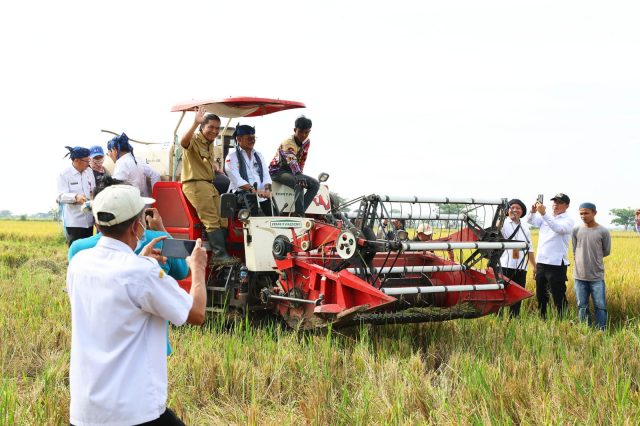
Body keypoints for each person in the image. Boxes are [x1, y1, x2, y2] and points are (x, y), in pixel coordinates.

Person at [66, 184, 206, 425]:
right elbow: (195, 313)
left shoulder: (79, 262)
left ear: (98, 225)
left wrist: (140, 261)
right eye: (143, 217)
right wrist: (199, 268)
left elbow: (120, 287)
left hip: (86, 410)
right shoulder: (141, 272)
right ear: (135, 226)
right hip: (134, 411)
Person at [68, 177, 188, 356]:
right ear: (135, 220)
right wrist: (163, 231)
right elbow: (182, 271)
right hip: (147, 351)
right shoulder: (157, 243)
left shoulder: (78, 251)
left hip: (96, 350)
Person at [180, 107, 233, 263]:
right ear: (202, 127)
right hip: (195, 184)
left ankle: (223, 253)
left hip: (208, 184)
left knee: (223, 218)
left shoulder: (210, 143)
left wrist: (215, 167)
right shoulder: (195, 139)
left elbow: (206, 161)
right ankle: (220, 256)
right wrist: (194, 123)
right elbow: (184, 142)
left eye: (217, 128)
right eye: (211, 127)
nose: (214, 131)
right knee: (211, 220)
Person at [527, 193, 575, 319]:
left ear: (567, 206)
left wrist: (544, 214)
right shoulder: (546, 217)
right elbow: (530, 220)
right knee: (541, 295)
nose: (555, 204)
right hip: (542, 263)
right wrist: (532, 212)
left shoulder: (568, 220)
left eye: (559, 202)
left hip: (556, 264)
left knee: (558, 295)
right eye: (554, 202)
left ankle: (563, 320)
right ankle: (542, 319)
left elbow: (558, 228)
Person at [269, 116, 319, 216]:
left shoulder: (307, 142)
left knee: (315, 184)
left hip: (292, 172)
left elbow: (302, 159)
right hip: (278, 171)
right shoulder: (288, 142)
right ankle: (300, 214)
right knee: (299, 182)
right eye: (300, 132)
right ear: (295, 130)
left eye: (307, 132)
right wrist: (299, 175)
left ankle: (300, 211)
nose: (303, 135)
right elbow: (292, 160)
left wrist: (301, 173)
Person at [572, 202, 611, 330]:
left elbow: (606, 251)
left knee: (600, 306)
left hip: (596, 276)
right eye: (581, 213)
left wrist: (593, 258)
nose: (583, 216)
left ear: (594, 213)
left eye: (586, 213)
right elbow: (574, 250)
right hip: (579, 276)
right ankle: (585, 330)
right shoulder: (576, 230)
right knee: (582, 306)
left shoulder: (603, 231)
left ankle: (601, 330)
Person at [225, 124, 273, 216]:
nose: (252, 141)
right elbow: (237, 181)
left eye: (254, 138)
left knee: (274, 216)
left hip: (261, 194)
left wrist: (267, 190)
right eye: (249, 138)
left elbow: (266, 175)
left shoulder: (258, 155)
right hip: (241, 195)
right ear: (239, 139)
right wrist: (253, 190)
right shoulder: (232, 156)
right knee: (253, 206)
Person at [500, 199, 536, 317]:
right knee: (500, 294)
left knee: (517, 295)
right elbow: (494, 231)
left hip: (521, 267)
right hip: (503, 265)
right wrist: (500, 216)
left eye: (518, 208)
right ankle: (497, 319)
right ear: (507, 211)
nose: (515, 210)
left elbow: (529, 248)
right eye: (512, 208)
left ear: (522, 211)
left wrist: (534, 267)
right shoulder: (502, 223)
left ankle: (514, 318)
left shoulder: (525, 227)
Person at [57, 146, 96, 246]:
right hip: (75, 223)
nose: (88, 163)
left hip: (89, 221)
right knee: (76, 252)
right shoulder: (64, 174)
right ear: (76, 160)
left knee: (88, 251)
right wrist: (75, 197)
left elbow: (93, 190)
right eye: (86, 161)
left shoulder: (89, 172)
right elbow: (60, 196)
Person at [107, 132, 147, 197]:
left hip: (129, 201)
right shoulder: (134, 160)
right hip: (137, 199)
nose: (110, 154)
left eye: (111, 151)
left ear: (115, 150)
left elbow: (116, 189)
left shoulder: (122, 162)